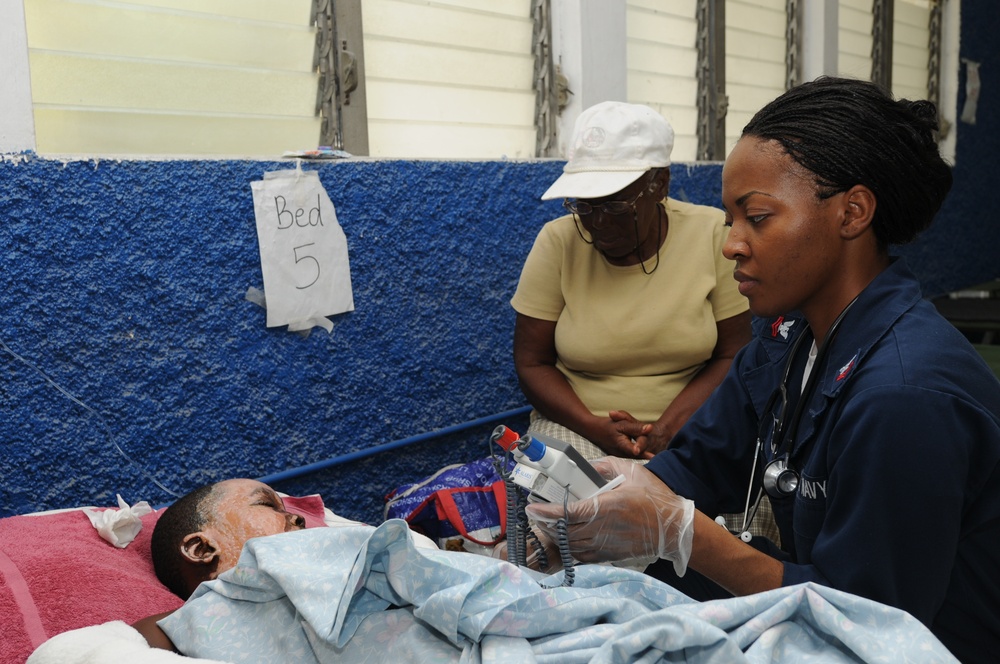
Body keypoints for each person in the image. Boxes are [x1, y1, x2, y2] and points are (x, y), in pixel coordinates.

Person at [526, 77, 1000, 663]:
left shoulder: (905, 397)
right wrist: (611, 495)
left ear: (852, 211)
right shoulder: (788, 342)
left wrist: (681, 533)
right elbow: (702, 462)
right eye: (730, 219)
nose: (731, 245)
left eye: (757, 217)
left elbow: (869, 621)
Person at [511, 101, 752, 462]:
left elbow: (735, 353)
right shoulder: (558, 242)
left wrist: (668, 429)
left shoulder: (711, 234)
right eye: (584, 206)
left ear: (660, 185)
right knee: (571, 501)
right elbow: (532, 362)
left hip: (694, 420)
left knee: (723, 507)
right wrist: (594, 428)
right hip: (579, 426)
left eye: (615, 207)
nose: (598, 224)